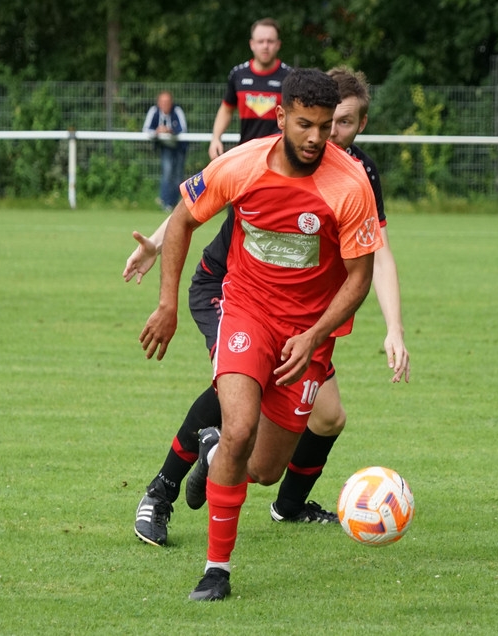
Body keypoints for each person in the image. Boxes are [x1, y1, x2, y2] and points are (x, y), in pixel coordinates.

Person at [126, 67, 410, 550]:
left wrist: (394, 327)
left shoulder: (356, 177)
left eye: (338, 124)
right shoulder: (270, 153)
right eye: (317, 124)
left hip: (298, 313)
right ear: (290, 118)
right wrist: (156, 244)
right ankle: (161, 492)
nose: (324, 135)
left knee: (327, 417)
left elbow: (374, 256)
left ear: (358, 124)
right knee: (238, 392)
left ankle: (286, 502)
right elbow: (196, 204)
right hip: (228, 287)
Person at [208, 17, 291, 159]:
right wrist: (215, 138)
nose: (265, 46)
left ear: (278, 44)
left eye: (270, 41)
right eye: (260, 41)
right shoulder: (238, 74)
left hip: (279, 155)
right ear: (252, 44)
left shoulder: (290, 77)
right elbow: (226, 109)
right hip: (246, 153)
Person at [142, 90, 188, 212]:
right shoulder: (154, 111)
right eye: (162, 102)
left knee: (178, 176)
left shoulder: (177, 110)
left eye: (167, 102)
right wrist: (157, 131)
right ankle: (166, 202)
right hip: (165, 147)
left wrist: (170, 131)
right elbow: (146, 129)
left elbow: (183, 129)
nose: (165, 104)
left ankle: (175, 203)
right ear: (158, 103)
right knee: (167, 173)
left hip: (179, 147)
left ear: (171, 102)